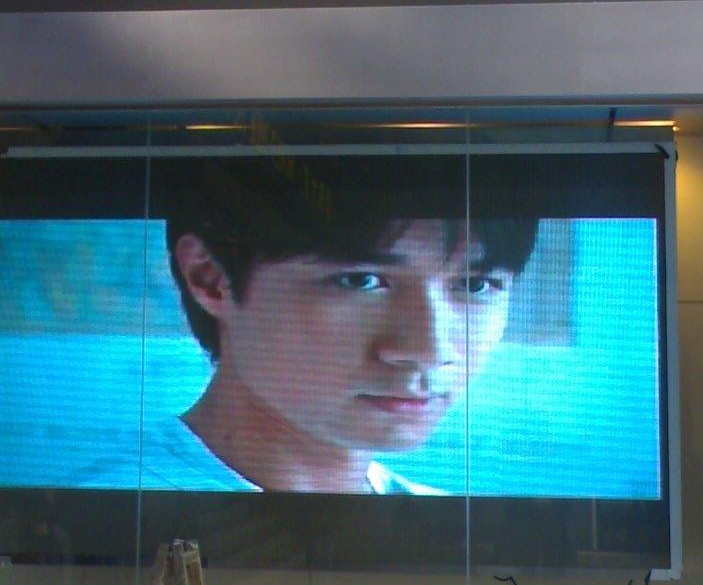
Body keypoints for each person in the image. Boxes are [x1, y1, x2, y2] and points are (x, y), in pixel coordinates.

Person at [156, 154, 538, 495]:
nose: (431, 352)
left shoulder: (452, 531)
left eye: (475, 285)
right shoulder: (130, 514)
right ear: (210, 278)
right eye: (360, 281)